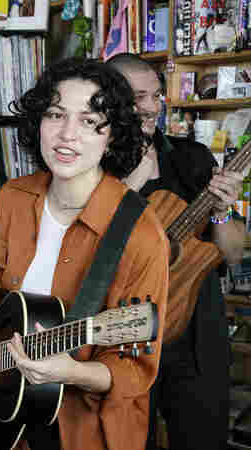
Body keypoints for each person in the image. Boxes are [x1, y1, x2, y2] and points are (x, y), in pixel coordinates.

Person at [0, 57, 169, 449]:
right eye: (56, 115)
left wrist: (72, 371)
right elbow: (1, 311)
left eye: (90, 122)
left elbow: (135, 372)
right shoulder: (13, 198)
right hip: (9, 419)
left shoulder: (141, 233)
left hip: (88, 434)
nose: (67, 134)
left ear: (112, 136)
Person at [107, 52, 244, 450]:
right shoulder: (95, 166)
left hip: (198, 334)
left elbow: (232, 253)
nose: (151, 107)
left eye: (156, 95)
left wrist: (219, 213)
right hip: (124, 336)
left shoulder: (192, 158)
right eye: (137, 99)